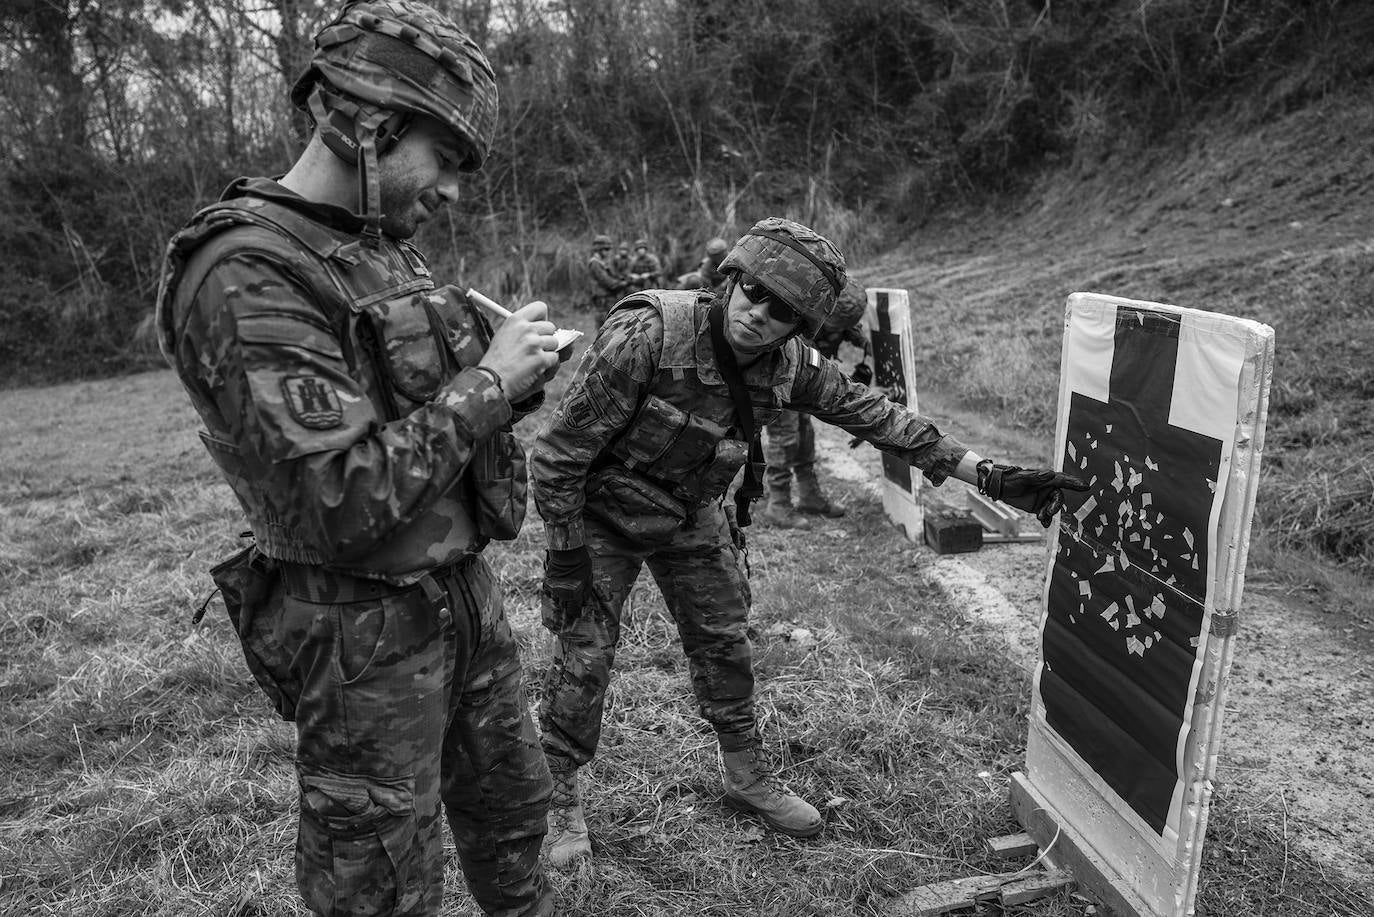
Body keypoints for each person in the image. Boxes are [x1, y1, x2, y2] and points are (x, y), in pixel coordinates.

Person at [153, 3, 564, 915]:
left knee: (513, 818)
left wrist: (513, 371)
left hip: (460, 598)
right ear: (369, 127)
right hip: (361, 636)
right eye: (446, 157)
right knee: (379, 884)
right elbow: (336, 497)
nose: (455, 189)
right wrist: (489, 386)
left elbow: (409, 406)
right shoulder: (245, 269)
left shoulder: (383, 250)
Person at [529, 217, 1086, 864]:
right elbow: (560, 455)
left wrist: (987, 474)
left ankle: (746, 774)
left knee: (725, 640)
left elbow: (874, 413)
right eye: (755, 294)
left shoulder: (786, 364)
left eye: (783, 312)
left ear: (798, 327)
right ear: (731, 280)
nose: (759, 315)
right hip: (602, 520)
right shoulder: (650, 333)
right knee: (585, 654)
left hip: (690, 512)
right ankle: (558, 795)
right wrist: (566, 549)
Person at [761, 278, 873, 528]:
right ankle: (778, 504)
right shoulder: (801, 322)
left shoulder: (843, 316)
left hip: (803, 386)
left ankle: (809, 495)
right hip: (782, 381)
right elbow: (803, 366)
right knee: (785, 439)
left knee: (805, 436)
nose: (836, 330)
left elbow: (853, 333)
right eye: (833, 326)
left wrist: (868, 346)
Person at [587, 233, 629, 318]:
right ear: (598, 249)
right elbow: (608, 282)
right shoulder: (595, 263)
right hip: (602, 301)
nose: (608, 252)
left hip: (608, 299)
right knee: (605, 326)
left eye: (609, 249)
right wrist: (624, 283)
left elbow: (613, 276)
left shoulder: (602, 262)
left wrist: (624, 279)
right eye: (606, 249)